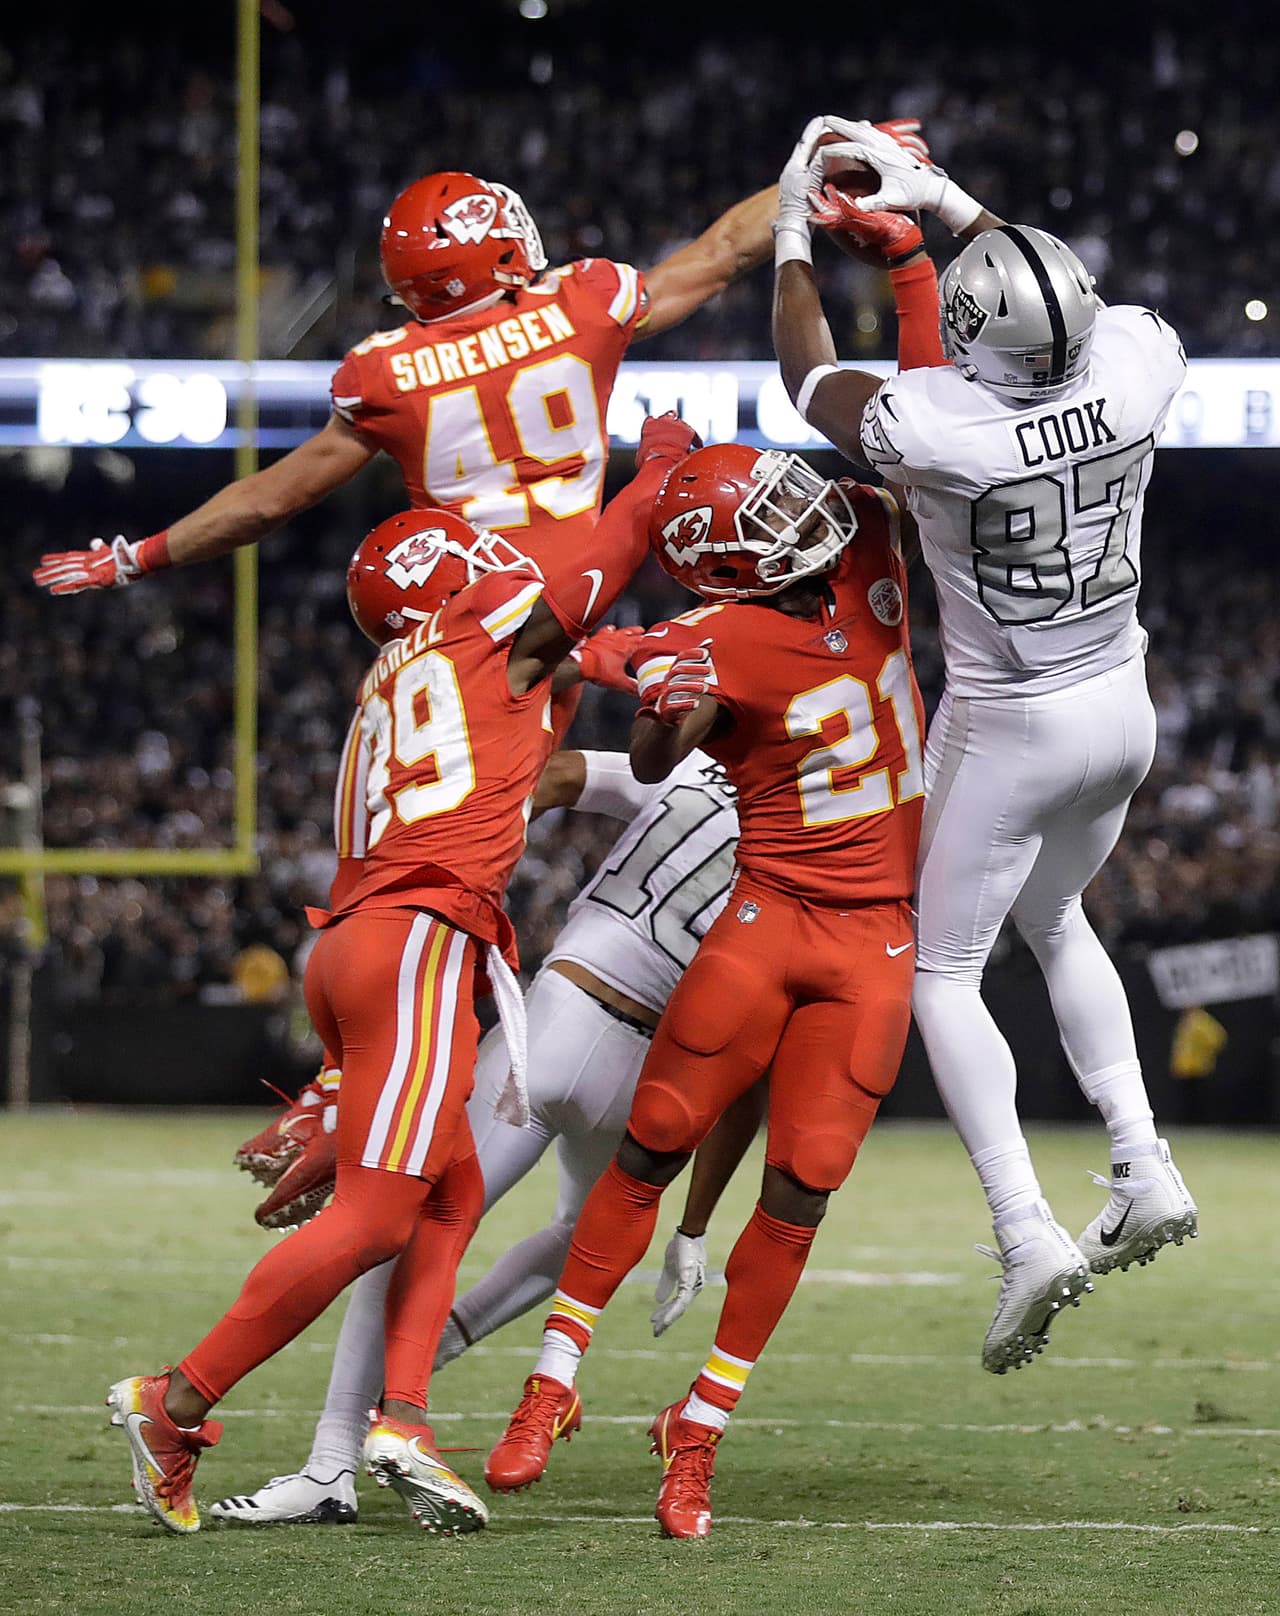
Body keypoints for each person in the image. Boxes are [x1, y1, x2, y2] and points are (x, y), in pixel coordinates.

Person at [105, 412, 699, 1537]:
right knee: (378, 1214)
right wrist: (660, 462)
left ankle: (405, 1418)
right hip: (420, 939)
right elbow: (615, 543)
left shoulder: (398, 668)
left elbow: (552, 674)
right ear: (464, 577)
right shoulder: (485, 631)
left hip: (362, 939)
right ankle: (174, 1399)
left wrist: (609, 653)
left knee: (454, 1187)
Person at [770, 116, 1198, 1376]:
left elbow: (806, 377)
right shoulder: (1135, 360)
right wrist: (945, 199)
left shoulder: (943, 420)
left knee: (940, 971)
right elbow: (1062, 291)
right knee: (1058, 920)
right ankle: (1140, 1157)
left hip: (1012, 718)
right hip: (1121, 700)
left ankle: (1024, 1228)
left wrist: (794, 229)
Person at [484, 428, 927, 1538]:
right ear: (728, 568)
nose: (798, 512)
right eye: (767, 517)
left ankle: (701, 1422)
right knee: (655, 1136)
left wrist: (905, 276)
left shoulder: (867, 538)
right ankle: (551, 1379)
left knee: (807, 1177)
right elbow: (645, 755)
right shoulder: (712, 638)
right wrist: (657, 691)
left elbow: (900, 446)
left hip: (873, 933)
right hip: (769, 912)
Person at [208, 742, 758, 1528]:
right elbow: (757, 1075)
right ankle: (376, 1418)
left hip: (563, 1018)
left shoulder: (702, 764)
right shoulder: (813, 833)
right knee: (554, 1230)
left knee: (421, 1213)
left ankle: (351, 1440)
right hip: (649, 1059)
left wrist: (477, 861)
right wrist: (696, 1223)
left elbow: (558, 773)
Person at [32, 170, 781, 593]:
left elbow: (267, 501)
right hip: (576, 590)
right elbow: (723, 252)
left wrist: (137, 555)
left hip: (453, 601)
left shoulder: (384, 372)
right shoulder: (583, 303)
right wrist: (815, 166)